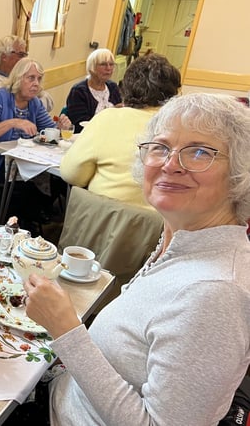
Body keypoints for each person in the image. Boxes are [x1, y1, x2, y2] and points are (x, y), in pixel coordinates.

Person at [24, 93, 250, 425]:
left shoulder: (215, 293)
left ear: (239, 174)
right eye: (160, 147)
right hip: (62, 394)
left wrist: (66, 328)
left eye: (200, 152)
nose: (171, 164)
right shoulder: (181, 243)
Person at [59, 52, 181, 209]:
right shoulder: (179, 125)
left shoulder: (108, 119)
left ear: (128, 86)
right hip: (158, 224)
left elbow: (71, 174)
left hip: (104, 218)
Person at [0, 57, 71, 227]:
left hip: (24, 166)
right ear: (18, 78)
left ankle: (28, 226)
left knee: (54, 184)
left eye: (39, 79)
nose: (36, 83)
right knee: (24, 194)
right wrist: (14, 122)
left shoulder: (33, 103)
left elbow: (50, 131)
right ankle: (12, 226)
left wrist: (60, 126)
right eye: (31, 78)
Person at [0, 35, 54, 112]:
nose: (24, 59)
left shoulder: (23, 77)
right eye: (20, 55)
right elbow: (10, 106)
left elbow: (48, 100)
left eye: (25, 55)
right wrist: (35, 103)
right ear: (4, 57)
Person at [65, 48, 122, 133]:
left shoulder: (113, 87)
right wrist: (112, 112)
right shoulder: (79, 91)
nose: (108, 68)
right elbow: (80, 124)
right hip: (86, 136)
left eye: (111, 64)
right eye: (103, 64)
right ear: (92, 67)